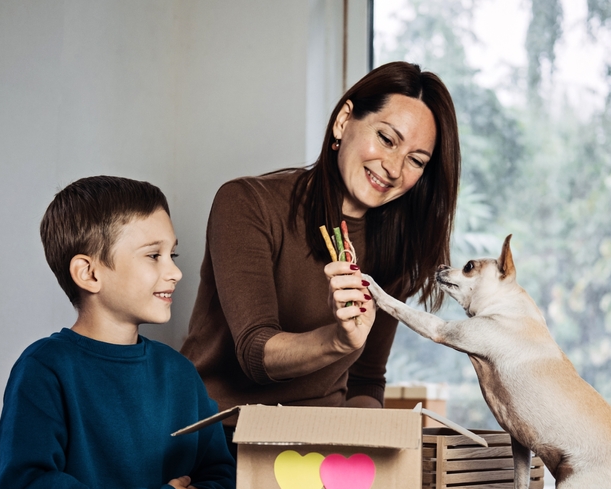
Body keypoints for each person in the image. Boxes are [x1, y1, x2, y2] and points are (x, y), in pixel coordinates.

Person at [182, 61, 460, 442]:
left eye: (416, 160)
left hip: (321, 445)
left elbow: (365, 382)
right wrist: (338, 340)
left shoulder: (398, 248)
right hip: (219, 436)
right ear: (344, 121)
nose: (394, 168)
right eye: (386, 139)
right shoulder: (247, 203)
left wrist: (364, 446)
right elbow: (255, 354)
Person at [0, 176, 235, 489]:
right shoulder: (44, 370)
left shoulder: (181, 374)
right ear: (89, 273)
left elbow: (224, 484)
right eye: (154, 256)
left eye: (173, 254)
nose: (175, 272)